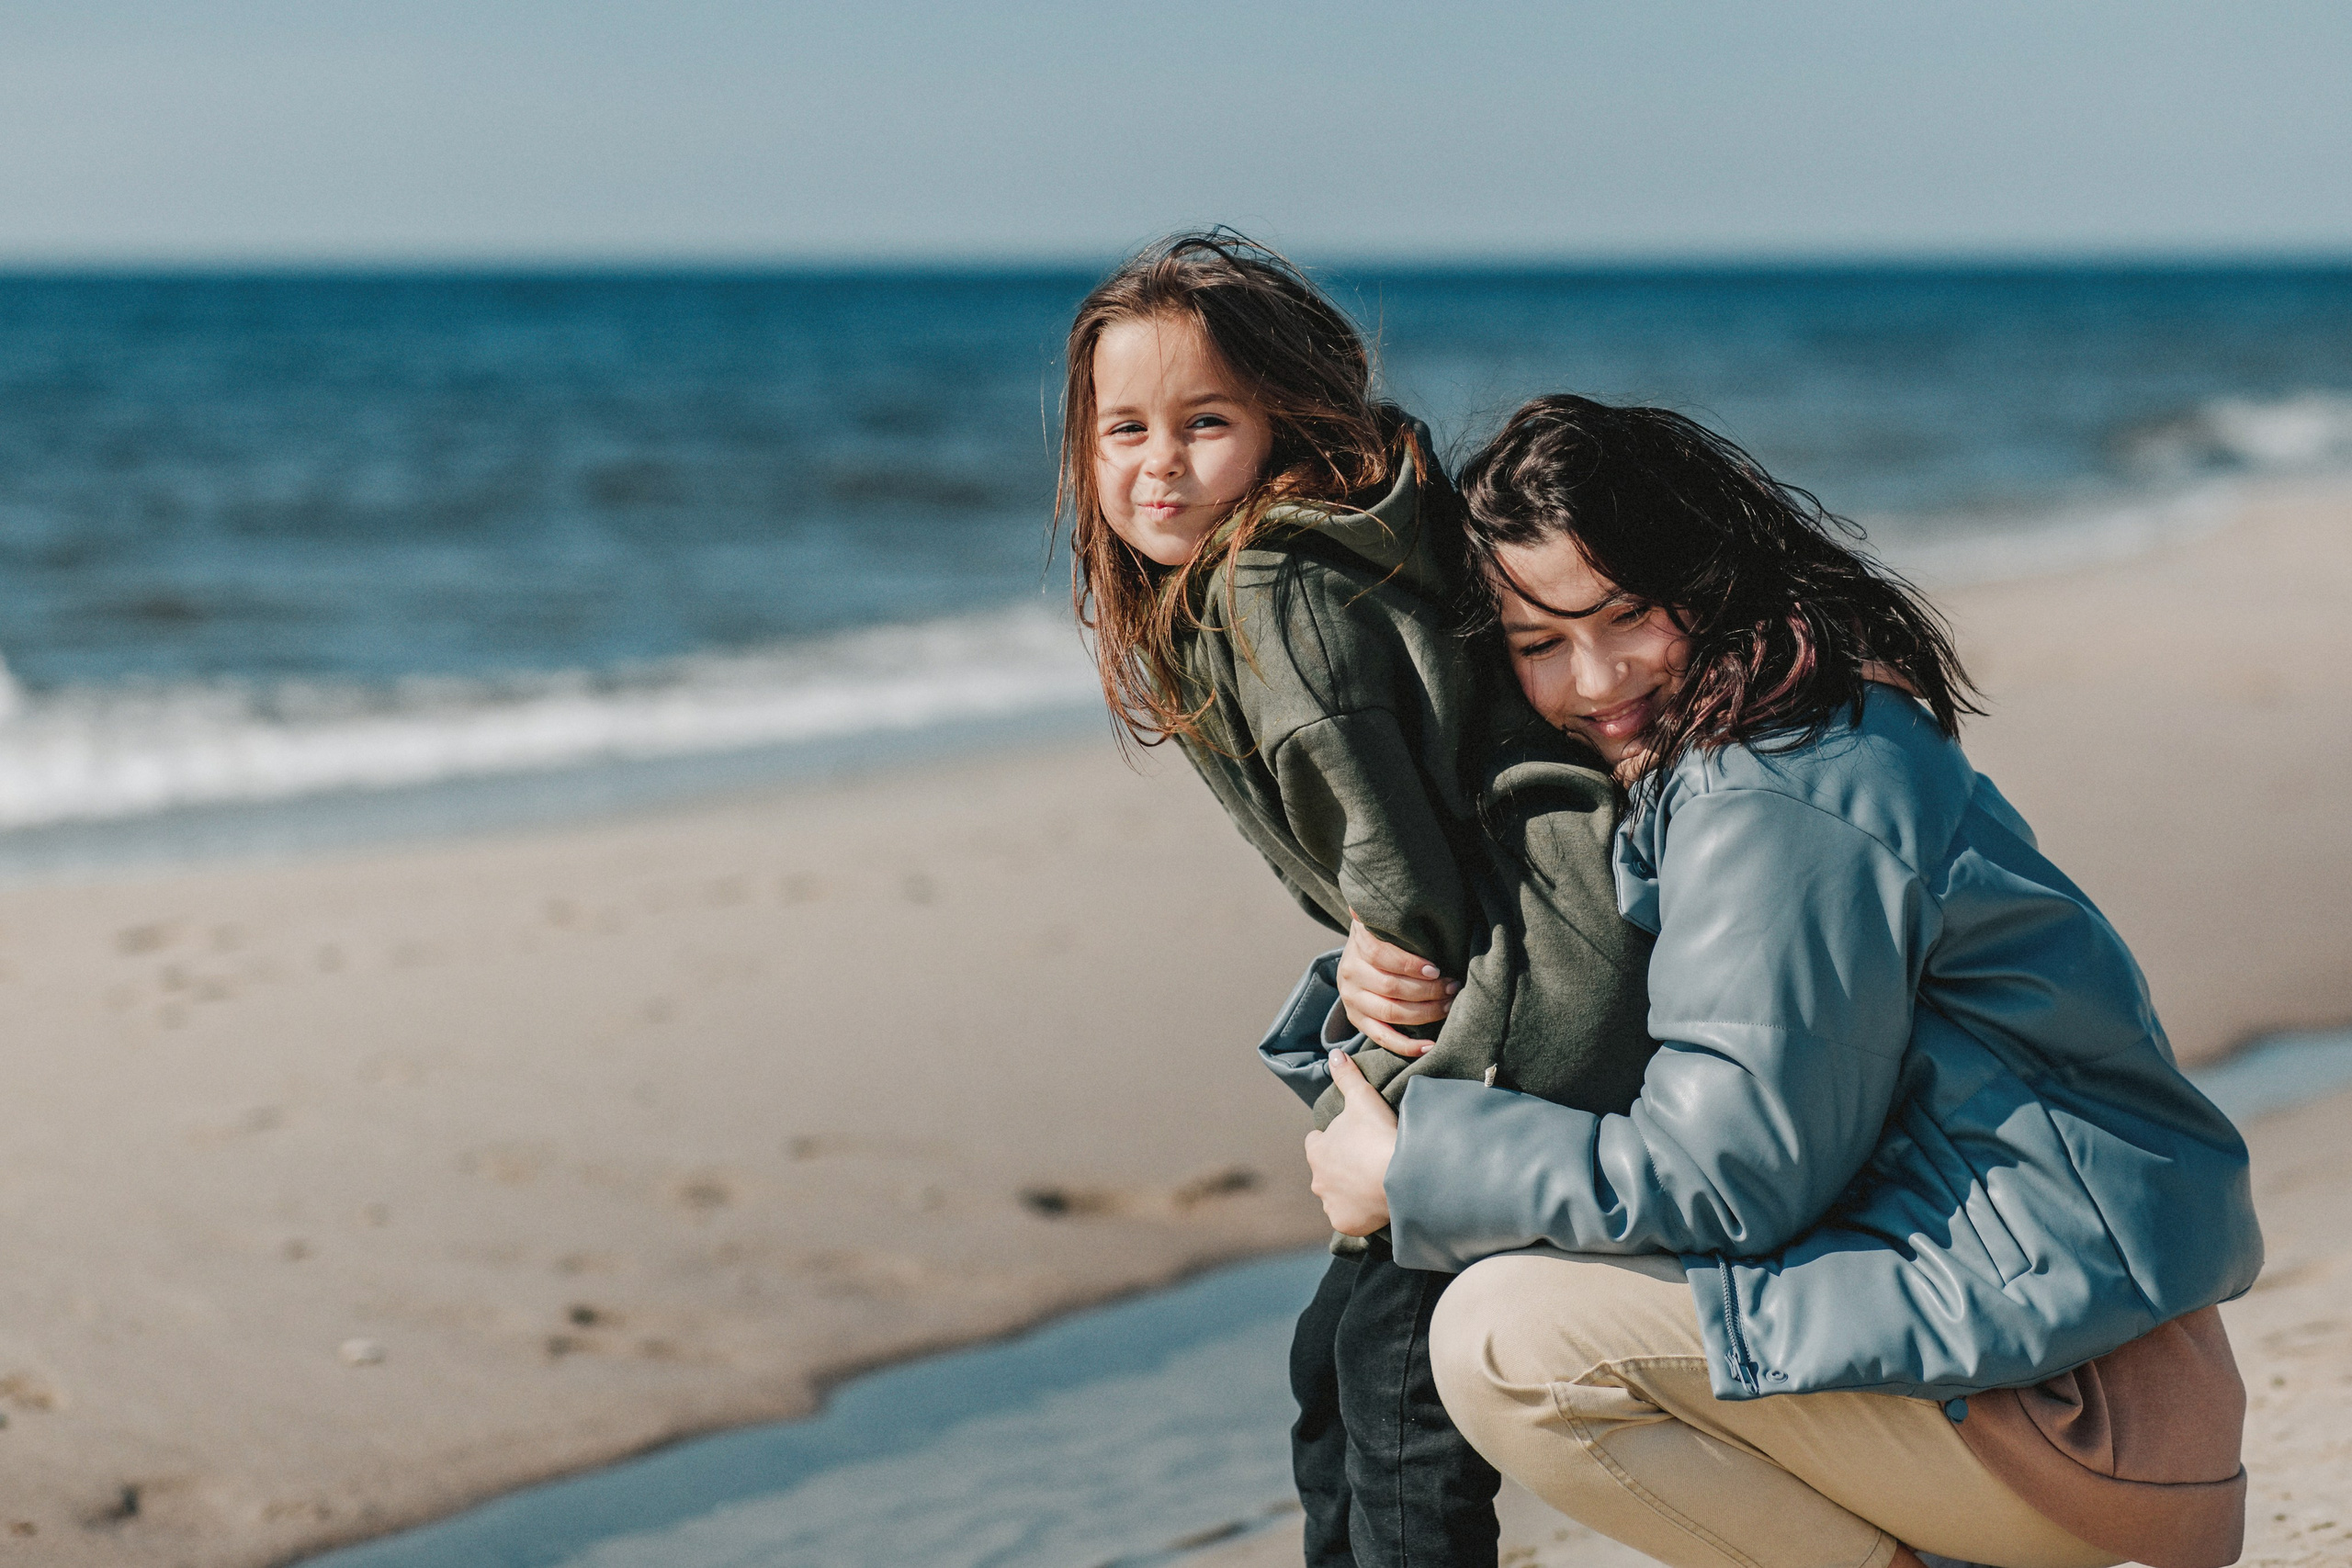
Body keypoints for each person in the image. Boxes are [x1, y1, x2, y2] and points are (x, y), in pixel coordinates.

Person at [1287, 395, 2265, 1568]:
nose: (1596, 678)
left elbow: (1729, 1174)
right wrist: (1380, 968)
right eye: (1537, 645)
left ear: (1706, 574)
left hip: (2079, 1407)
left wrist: (1417, 1168)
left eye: (1626, 615)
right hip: (2057, 1345)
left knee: (1503, 1339)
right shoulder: (1776, 729)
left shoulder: (1770, 790)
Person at [1058, 241, 1657, 1567]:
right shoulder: (1289, 566)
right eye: (1125, 430)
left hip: (1538, 973)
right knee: (1338, 1361)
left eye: (1205, 423)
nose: (1159, 465)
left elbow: (1406, 892)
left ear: (1286, 419)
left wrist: (1377, 1094)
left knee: (1395, 1382)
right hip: (1528, 937)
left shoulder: (1272, 590)